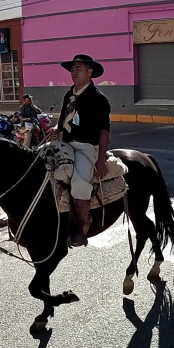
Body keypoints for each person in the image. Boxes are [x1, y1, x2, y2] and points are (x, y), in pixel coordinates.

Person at [54, 54, 111, 247]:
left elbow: (104, 130)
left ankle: (80, 226)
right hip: (66, 144)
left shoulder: (98, 99)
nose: (73, 73)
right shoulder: (69, 94)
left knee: (79, 181)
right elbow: (63, 119)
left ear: (90, 72)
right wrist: (56, 129)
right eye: (72, 69)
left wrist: (101, 159)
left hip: (86, 147)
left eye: (78, 69)